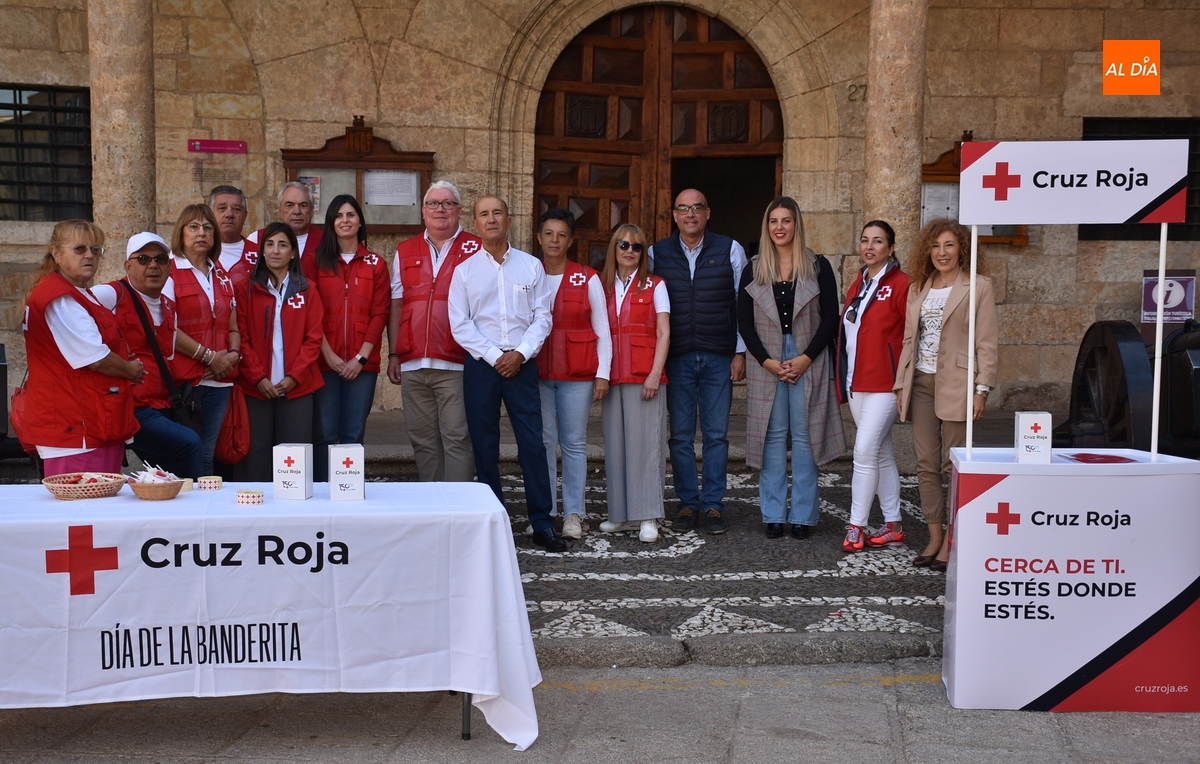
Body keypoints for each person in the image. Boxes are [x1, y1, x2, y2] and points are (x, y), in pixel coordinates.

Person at [448, 195, 566, 553]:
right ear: (476, 223)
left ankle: (541, 523)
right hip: (482, 367)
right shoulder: (465, 271)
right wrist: (493, 355)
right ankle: (493, 522)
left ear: (509, 219)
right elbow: (460, 324)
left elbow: (543, 317)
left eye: (497, 212)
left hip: (522, 365)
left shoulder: (531, 267)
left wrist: (519, 354)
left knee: (533, 443)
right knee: (484, 445)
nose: (491, 219)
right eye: (484, 214)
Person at [894, 218, 999, 572]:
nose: (942, 252)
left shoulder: (978, 286)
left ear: (962, 249)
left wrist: (982, 388)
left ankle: (955, 538)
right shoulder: (919, 287)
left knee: (952, 465)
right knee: (925, 464)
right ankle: (935, 536)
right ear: (928, 250)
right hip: (921, 382)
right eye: (936, 246)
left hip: (959, 384)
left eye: (949, 245)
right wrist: (900, 384)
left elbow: (986, 342)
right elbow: (910, 339)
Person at [739, 197, 845, 539]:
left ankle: (802, 514)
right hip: (765, 360)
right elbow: (744, 322)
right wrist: (767, 362)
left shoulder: (817, 266)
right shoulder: (754, 268)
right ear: (766, 227)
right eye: (773, 221)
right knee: (771, 438)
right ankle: (772, 513)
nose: (779, 228)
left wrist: (806, 357)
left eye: (786, 221)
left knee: (804, 438)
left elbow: (831, 317)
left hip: (807, 357)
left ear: (796, 224)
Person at [650, 188, 746, 535]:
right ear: (674, 215)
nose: (690, 214)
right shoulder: (656, 253)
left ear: (708, 213)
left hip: (719, 356)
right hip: (677, 359)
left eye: (697, 208)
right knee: (680, 436)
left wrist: (740, 352)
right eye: (683, 209)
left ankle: (714, 506)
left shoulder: (730, 249)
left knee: (717, 435)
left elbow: (741, 304)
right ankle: (688, 503)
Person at [18, 221, 141, 476]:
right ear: (56, 253)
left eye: (95, 250)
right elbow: (95, 357)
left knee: (97, 508)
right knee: (82, 511)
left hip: (90, 421)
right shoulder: (60, 297)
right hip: (75, 427)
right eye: (79, 249)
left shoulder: (75, 291)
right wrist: (131, 370)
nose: (89, 255)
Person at [386, 180, 479, 482]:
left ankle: (457, 510)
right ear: (423, 212)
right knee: (422, 440)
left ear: (459, 211)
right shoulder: (405, 249)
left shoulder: (476, 248)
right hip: (413, 361)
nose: (440, 209)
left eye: (447, 203)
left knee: (457, 439)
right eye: (433, 203)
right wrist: (394, 353)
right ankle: (434, 509)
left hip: (457, 360)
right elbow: (397, 304)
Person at [101, 232, 205, 479]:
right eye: (143, 259)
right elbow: (73, 307)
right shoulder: (112, 294)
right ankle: (191, 510)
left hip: (163, 403)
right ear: (128, 265)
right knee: (190, 445)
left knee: (166, 474)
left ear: (169, 267)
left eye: (160, 259)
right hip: (131, 406)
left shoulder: (169, 305)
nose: (153, 265)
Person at [534, 208, 612, 540]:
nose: (554, 240)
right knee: (544, 442)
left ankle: (574, 514)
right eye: (548, 233)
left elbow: (603, 330)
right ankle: (546, 512)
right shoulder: (528, 273)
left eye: (561, 234)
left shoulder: (587, 277)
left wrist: (603, 374)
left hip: (577, 374)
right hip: (536, 374)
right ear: (539, 238)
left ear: (571, 240)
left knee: (575, 443)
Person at [834, 220, 910, 552]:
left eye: (878, 241)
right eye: (865, 240)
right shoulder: (858, 284)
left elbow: (911, 336)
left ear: (890, 248)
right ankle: (893, 524)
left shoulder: (903, 284)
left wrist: (905, 381)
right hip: (857, 381)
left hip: (885, 383)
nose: (870, 246)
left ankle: (856, 526)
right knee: (881, 454)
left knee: (864, 451)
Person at [233, 222, 325, 482]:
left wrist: (294, 376)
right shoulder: (245, 289)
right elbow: (242, 338)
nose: (275, 251)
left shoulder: (308, 289)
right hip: (255, 387)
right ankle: (251, 514)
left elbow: (313, 339)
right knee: (255, 455)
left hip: (296, 387)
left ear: (293, 253)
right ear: (262, 251)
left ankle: (294, 515)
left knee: (293, 457)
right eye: (270, 244)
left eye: (283, 245)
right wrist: (258, 378)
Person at [310, 195, 390, 482]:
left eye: (351, 215)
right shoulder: (317, 262)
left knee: (353, 434)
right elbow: (311, 314)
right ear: (332, 222)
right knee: (325, 433)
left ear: (359, 221)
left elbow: (379, 314)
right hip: (324, 362)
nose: (345, 220)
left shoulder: (375, 264)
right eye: (339, 215)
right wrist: (329, 356)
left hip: (362, 366)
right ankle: (322, 496)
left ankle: (348, 491)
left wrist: (360, 358)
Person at [599, 224, 670, 543]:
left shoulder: (656, 285)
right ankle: (621, 515)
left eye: (637, 247)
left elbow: (664, 332)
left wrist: (656, 373)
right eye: (624, 245)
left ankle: (647, 516)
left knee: (646, 447)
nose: (629, 251)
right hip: (613, 376)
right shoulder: (602, 286)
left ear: (643, 254)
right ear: (614, 248)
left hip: (645, 376)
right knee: (616, 447)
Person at [164, 204, 241, 475]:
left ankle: (204, 512)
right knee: (188, 452)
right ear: (181, 233)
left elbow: (234, 326)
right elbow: (167, 328)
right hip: (186, 380)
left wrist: (232, 356)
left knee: (207, 454)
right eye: (193, 227)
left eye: (208, 227)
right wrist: (209, 357)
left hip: (220, 380)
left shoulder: (222, 274)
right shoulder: (169, 272)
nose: (201, 233)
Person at [244, 182, 324, 272]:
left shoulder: (326, 241)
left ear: (312, 211)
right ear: (280, 211)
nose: (297, 211)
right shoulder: (257, 239)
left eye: (303, 205)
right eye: (289, 205)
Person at [208, 185, 253, 281]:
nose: (229, 214)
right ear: (210, 214)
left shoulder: (259, 254)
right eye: (222, 208)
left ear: (244, 216)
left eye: (236, 209)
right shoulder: (198, 253)